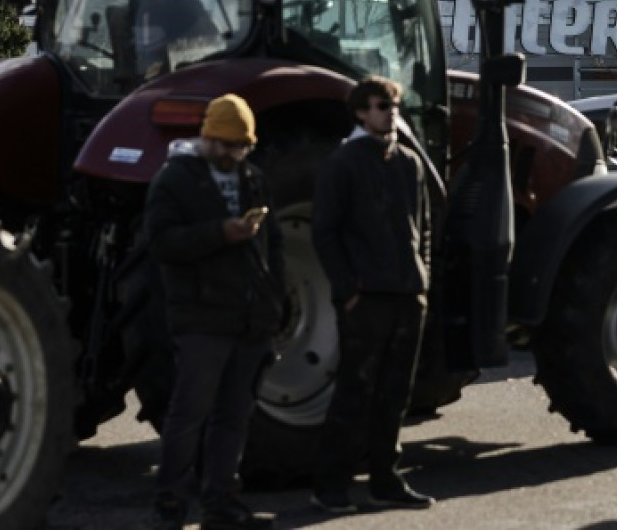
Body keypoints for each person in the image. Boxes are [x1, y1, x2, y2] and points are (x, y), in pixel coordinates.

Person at [146, 93, 285, 530]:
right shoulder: (174, 180)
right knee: (189, 415)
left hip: (248, 319)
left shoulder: (253, 178)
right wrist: (219, 233)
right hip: (201, 319)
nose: (233, 155)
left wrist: (274, 300)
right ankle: (170, 505)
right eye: (226, 145)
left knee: (233, 416)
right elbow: (162, 243)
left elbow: (273, 246)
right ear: (207, 138)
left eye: (242, 146)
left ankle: (222, 502)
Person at [309, 76, 433, 514]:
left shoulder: (409, 163)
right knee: (354, 392)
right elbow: (324, 231)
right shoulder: (343, 163)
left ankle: (386, 479)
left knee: (396, 393)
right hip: (368, 299)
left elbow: (423, 229)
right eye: (382, 105)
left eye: (395, 104)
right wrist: (348, 290)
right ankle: (331, 486)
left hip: (407, 294)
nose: (391, 112)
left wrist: (423, 279)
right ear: (361, 112)